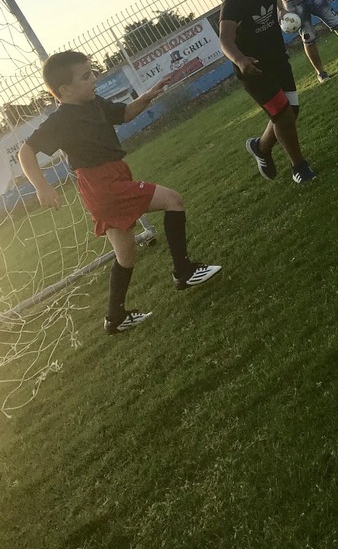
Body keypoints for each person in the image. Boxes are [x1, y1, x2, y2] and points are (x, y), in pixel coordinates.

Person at [18, 51, 220, 336]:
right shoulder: (61, 120)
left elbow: (123, 114)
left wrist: (148, 95)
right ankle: (184, 271)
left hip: (112, 177)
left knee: (125, 254)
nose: (94, 79)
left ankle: (115, 317)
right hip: (101, 184)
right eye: (86, 76)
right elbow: (26, 151)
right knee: (172, 200)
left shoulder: (94, 103)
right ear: (65, 90)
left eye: (92, 72)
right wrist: (42, 186)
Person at [219, 0, 338, 183]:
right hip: (254, 70)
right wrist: (240, 60)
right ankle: (299, 167)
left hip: (278, 59)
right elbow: (225, 41)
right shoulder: (234, 1)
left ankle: (261, 147)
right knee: (283, 115)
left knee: (291, 111)